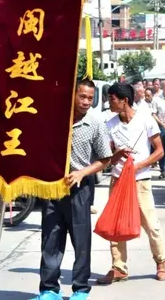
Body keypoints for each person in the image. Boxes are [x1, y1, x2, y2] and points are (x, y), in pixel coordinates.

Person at [33, 79, 127, 300]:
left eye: (90, 98)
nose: (86, 101)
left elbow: (105, 159)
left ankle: (80, 289)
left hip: (80, 189)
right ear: (72, 95)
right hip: (52, 189)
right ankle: (49, 290)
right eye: (82, 96)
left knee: (80, 240)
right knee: (51, 239)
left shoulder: (95, 124)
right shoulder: (55, 119)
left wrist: (82, 173)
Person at [98, 82, 165, 284]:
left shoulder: (146, 120)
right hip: (118, 179)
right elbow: (107, 157)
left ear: (124, 100)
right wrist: (115, 156)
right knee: (115, 224)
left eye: (111, 99)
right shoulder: (109, 124)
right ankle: (119, 267)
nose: (108, 102)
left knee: (150, 224)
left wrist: (139, 166)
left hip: (140, 180)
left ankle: (161, 261)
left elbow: (159, 151)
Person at [151, 80, 165, 179]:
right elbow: (154, 114)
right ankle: (163, 170)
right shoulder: (156, 99)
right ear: (162, 87)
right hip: (162, 126)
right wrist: (162, 124)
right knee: (162, 149)